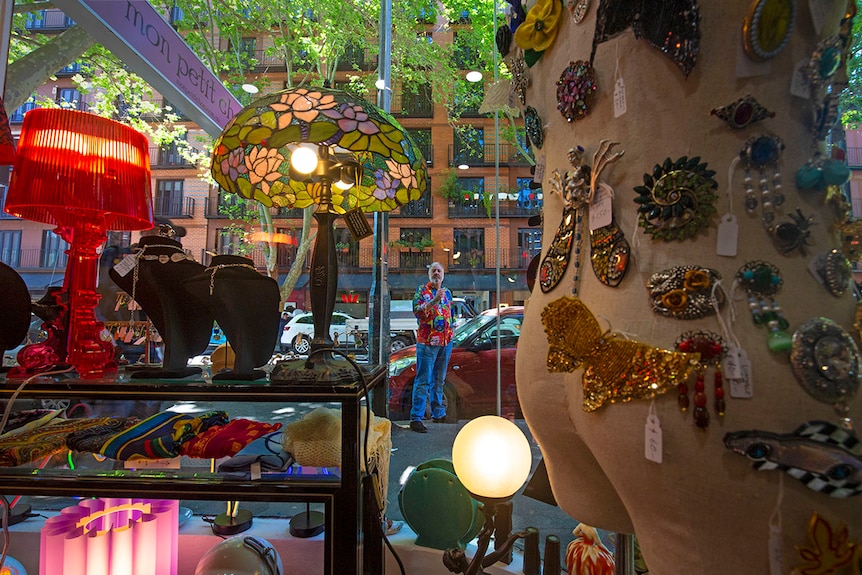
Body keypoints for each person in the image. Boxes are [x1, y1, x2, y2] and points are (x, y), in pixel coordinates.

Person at [410, 262, 454, 433]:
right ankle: (416, 418)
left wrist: (452, 331)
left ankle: (438, 413)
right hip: (427, 343)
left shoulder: (448, 293)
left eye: (439, 271)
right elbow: (417, 312)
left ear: (443, 275)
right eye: (433, 271)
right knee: (423, 380)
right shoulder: (422, 291)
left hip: (445, 342)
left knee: (439, 380)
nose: (436, 273)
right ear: (429, 274)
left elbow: (449, 313)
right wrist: (434, 301)